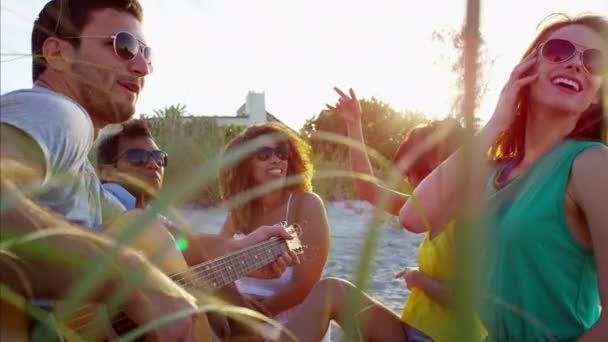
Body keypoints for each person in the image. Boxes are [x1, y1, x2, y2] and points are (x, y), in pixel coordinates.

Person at [0, 1, 291, 340]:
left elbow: (167, 238)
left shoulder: (83, 177)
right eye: (123, 46)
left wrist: (240, 251)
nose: (142, 67)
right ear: (58, 53)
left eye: (146, 54)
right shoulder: (59, 113)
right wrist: (126, 274)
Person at [399, 14, 608, 341]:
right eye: (558, 50)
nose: (576, 64)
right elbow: (413, 216)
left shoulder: (591, 163)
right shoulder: (494, 172)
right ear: (528, 70)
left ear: (598, 93)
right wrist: (496, 124)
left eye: (594, 61)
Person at [272, 89, 485, 342]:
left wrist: (419, 278)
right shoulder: (427, 210)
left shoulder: (473, 220)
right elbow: (368, 189)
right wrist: (354, 124)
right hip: (411, 331)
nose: (410, 185)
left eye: (413, 177)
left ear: (433, 173)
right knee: (332, 290)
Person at [96, 118, 281, 339]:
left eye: (159, 157)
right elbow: (182, 243)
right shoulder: (107, 200)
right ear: (108, 171)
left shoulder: (154, 214)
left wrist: (228, 285)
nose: (153, 164)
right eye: (137, 157)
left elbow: (184, 251)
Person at [218, 122, 331, 339]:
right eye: (264, 153)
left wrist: (255, 315)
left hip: (292, 323)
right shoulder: (239, 212)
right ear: (245, 164)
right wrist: (237, 305)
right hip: (242, 316)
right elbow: (216, 262)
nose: (276, 158)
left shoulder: (304, 204)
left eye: (282, 152)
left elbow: (306, 283)